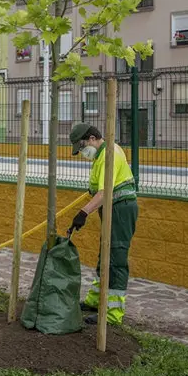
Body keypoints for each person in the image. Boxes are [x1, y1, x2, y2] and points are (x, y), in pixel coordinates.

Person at [67, 122, 138, 326]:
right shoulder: (100, 156)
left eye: (82, 148)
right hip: (112, 208)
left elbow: (104, 192)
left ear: (91, 139)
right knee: (105, 254)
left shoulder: (109, 155)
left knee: (116, 258)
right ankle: (96, 300)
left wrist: (83, 212)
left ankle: (112, 314)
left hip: (121, 209)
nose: (83, 153)